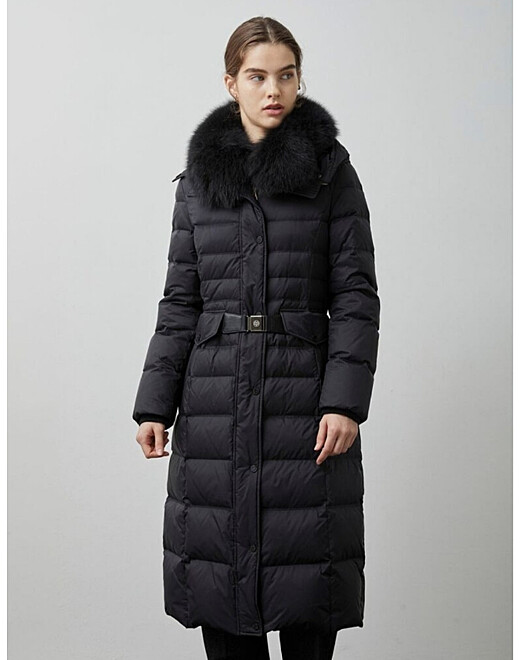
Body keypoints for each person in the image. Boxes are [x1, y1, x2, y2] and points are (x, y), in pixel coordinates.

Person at [132, 16, 380, 660]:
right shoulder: (198, 185)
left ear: (299, 80)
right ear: (231, 83)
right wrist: (155, 405)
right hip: (214, 407)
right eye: (257, 76)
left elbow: (355, 295)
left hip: (304, 407)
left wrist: (344, 402)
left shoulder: (330, 173)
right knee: (223, 599)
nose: (274, 90)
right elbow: (180, 301)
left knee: (307, 593)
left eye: (286, 75)